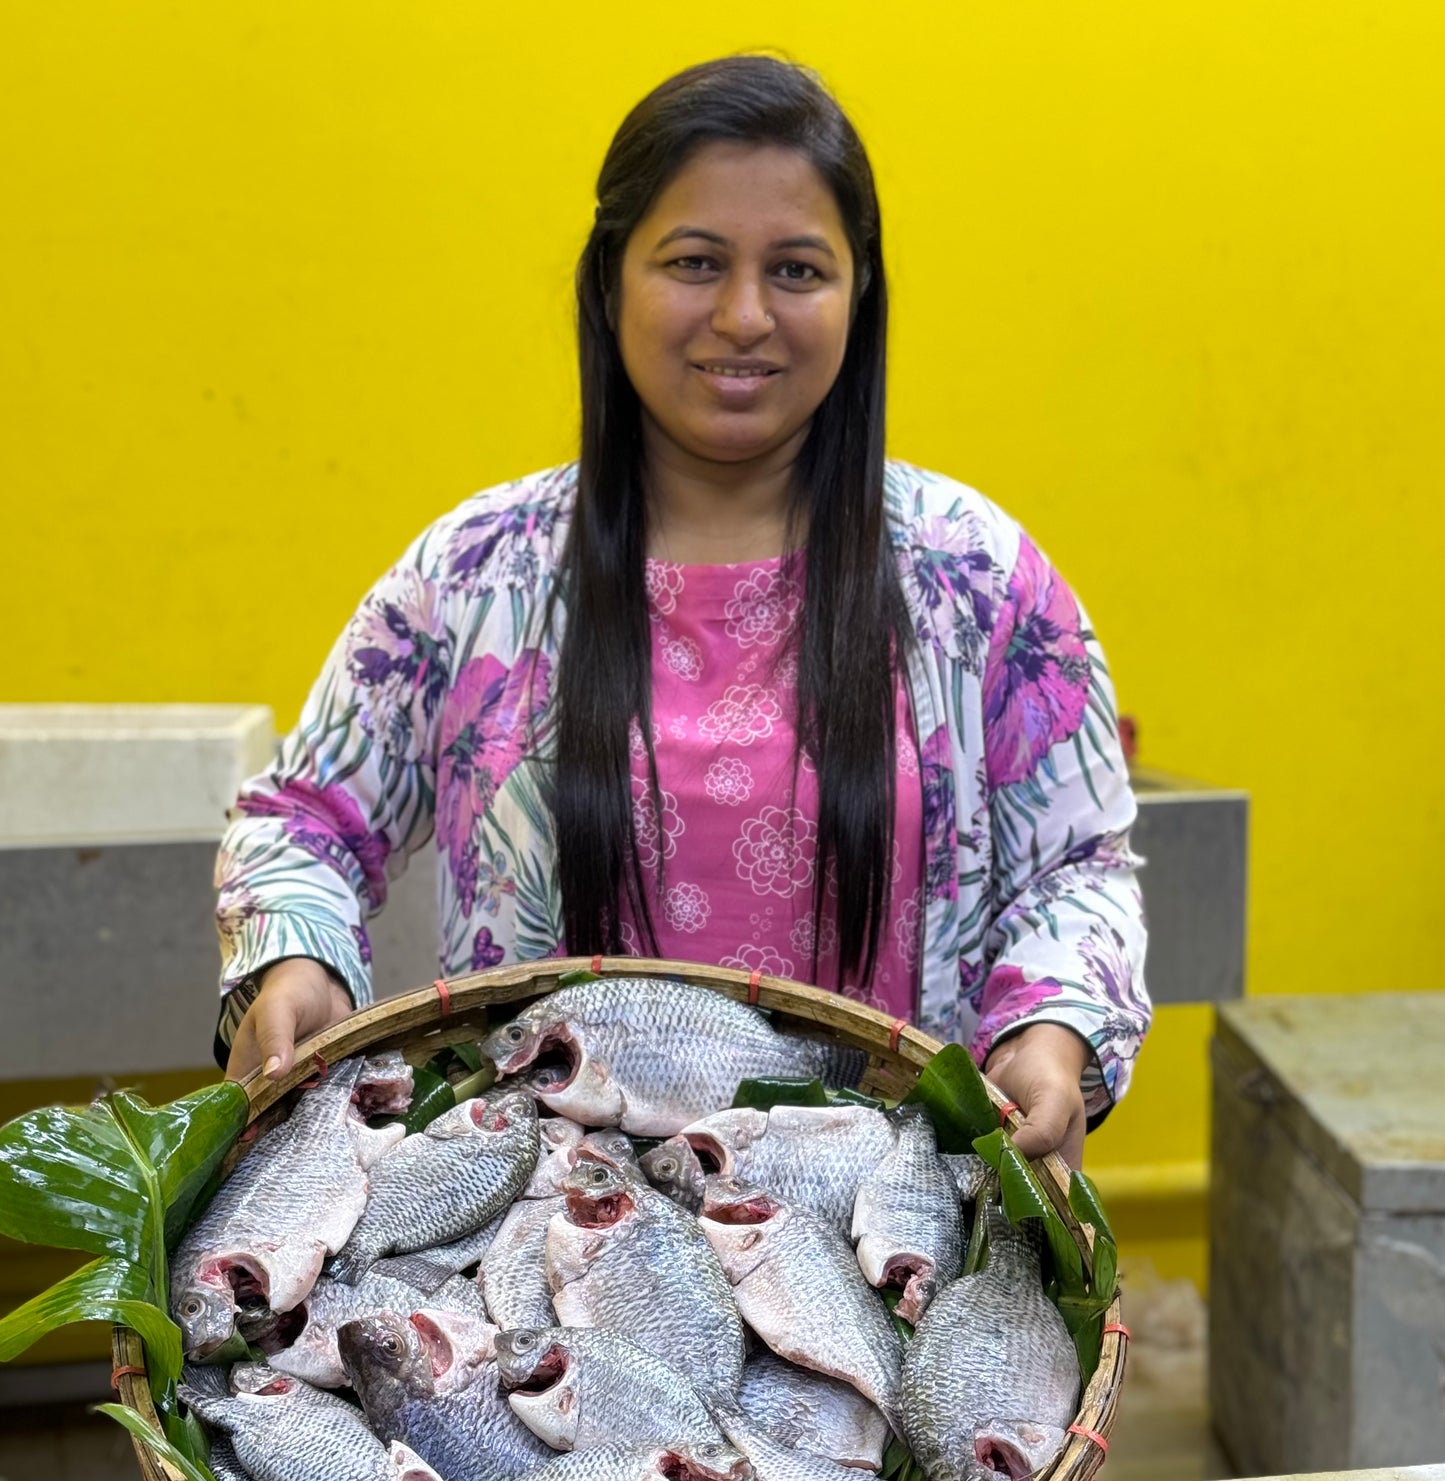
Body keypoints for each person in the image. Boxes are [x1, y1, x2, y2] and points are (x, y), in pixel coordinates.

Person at [215, 55, 1150, 1170]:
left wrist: (1050, 1028)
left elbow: (1076, 865)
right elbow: (305, 820)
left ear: (861, 294)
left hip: (882, 1237)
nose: (744, 316)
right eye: (695, 262)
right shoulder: (474, 575)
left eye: (797, 270)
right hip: (540, 1243)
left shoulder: (977, 579)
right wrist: (295, 960)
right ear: (612, 281)